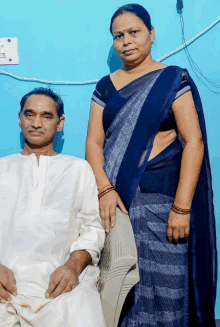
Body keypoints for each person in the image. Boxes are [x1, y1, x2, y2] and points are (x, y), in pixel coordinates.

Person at [86, 3, 217, 327]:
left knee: (168, 287)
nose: (126, 41)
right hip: (120, 206)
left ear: (151, 34)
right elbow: (94, 143)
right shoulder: (105, 86)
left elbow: (193, 143)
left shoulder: (172, 80)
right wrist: (104, 189)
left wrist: (182, 208)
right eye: (118, 36)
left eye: (134, 32)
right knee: (122, 286)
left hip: (165, 205)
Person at [0, 88, 106, 326]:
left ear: (60, 124)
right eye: (30, 115)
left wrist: (73, 266)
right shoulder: (2, 168)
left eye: (46, 116)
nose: (36, 123)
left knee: (79, 314)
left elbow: (93, 228)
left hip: (60, 281)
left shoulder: (78, 169)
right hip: (6, 280)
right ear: (19, 119)